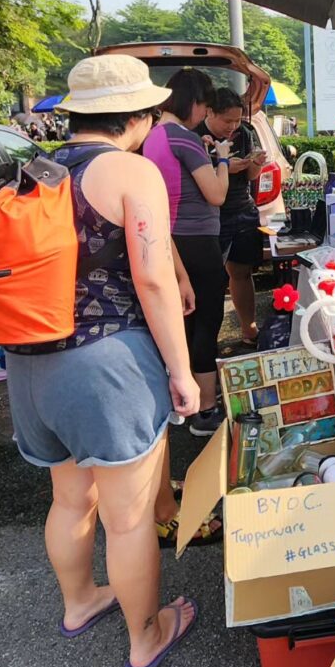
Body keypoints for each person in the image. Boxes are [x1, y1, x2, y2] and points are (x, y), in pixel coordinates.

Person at [3, 54, 199, 667]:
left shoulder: (34, 168)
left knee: (68, 500)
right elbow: (152, 278)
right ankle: (146, 636)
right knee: (129, 514)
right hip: (105, 366)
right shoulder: (129, 170)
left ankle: (80, 600)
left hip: (29, 362)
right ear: (139, 114)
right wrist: (182, 370)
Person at [143, 68, 230, 437]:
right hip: (197, 241)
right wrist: (222, 160)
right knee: (207, 322)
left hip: (169, 241)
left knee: (185, 321)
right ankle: (207, 410)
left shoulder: (152, 137)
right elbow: (217, 194)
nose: (203, 114)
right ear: (194, 102)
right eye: (204, 106)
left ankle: (188, 400)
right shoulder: (186, 138)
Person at [195, 88, 266, 346]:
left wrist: (255, 164)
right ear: (209, 112)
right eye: (228, 121)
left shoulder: (244, 134)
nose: (233, 126)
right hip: (211, 216)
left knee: (242, 272)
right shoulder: (196, 137)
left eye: (237, 120)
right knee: (212, 279)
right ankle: (206, 341)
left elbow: (249, 178)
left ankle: (249, 330)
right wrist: (221, 165)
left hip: (243, 211)